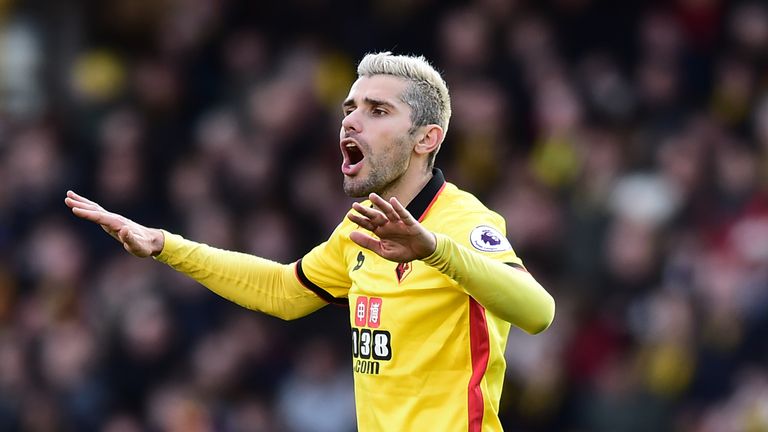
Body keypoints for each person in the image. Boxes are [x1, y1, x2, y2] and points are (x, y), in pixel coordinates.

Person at [66, 52, 555, 431]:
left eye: (378, 109)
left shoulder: (463, 221)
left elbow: (538, 312)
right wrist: (165, 245)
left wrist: (434, 250)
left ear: (426, 139)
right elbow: (283, 290)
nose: (351, 120)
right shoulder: (360, 229)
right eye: (350, 108)